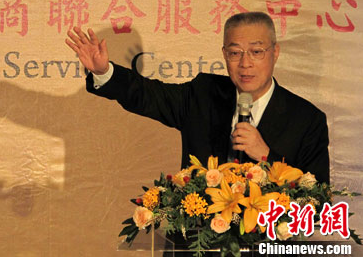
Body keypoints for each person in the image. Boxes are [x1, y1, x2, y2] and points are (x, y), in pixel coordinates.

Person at [65, 11, 330, 184]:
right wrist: (104, 71)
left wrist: (266, 156)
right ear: (224, 54)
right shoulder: (203, 94)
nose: (245, 63)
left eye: (256, 52)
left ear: (275, 52)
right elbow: (146, 95)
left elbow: (316, 199)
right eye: (235, 53)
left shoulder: (307, 120)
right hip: (198, 241)